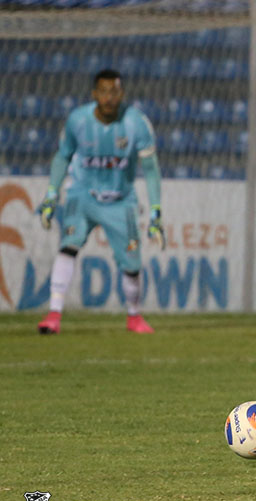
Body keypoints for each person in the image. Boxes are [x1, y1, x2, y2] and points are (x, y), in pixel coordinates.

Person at [36, 69, 165, 334]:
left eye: (114, 91)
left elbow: (151, 169)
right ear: (94, 94)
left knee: (132, 265)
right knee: (68, 245)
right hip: (82, 195)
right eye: (103, 91)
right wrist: (51, 194)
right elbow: (62, 157)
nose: (109, 97)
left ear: (122, 93)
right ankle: (53, 315)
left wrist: (155, 211)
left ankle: (133, 317)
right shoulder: (78, 120)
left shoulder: (136, 123)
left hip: (121, 201)